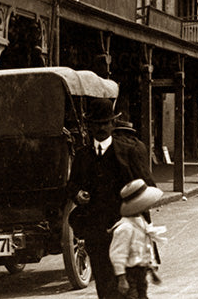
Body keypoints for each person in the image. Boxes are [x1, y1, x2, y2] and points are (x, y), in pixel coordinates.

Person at [67, 98, 155, 299]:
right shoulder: (82, 156)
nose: (101, 128)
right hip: (98, 236)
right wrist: (77, 194)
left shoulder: (129, 151)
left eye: (105, 123)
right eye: (96, 124)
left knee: (134, 291)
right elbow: (72, 185)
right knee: (106, 291)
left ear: (113, 124)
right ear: (89, 126)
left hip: (129, 235)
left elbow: (150, 188)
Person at [109, 179, 167, 299]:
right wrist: (121, 278)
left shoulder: (140, 221)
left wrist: (150, 266)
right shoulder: (125, 228)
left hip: (141, 271)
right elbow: (118, 255)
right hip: (129, 273)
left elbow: (145, 246)